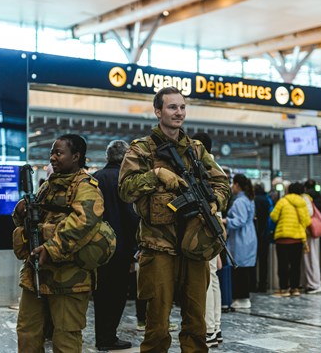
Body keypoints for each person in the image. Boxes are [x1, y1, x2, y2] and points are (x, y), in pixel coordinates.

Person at [118, 86, 231, 353]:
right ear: (158, 112)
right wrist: (155, 174)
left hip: (194, 246)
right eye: (172, 107)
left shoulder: (196, 150)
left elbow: (221, 183)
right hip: (158, 247)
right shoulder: (142, 150)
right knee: (157, 325)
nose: (178, 112)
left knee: (196, 324)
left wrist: (215, 201)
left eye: (182, 107)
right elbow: (125, 189)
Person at [12, 134, 104, 353]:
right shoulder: (48, 187)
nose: (52, 157)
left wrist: (51, 248)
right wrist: (20, 211)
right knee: (28, 332)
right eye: (52, 153)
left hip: (70, 277)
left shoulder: (86, 187)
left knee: (66, 338)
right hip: (37, 271)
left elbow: (84, 223)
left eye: (58, 153)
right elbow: (32, 220)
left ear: (76, 156)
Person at [92, 140, 139, 351]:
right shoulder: (124, 180)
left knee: (101, 294)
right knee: (118, 294)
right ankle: (109, 337)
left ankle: (101, 336)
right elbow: (131, 217)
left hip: (98, 249)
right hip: (120, 248)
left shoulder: (95, 179)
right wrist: (135, 250)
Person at [192, 132, 223, 348]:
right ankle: (215, 327)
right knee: (212, 277)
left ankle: (209, 329)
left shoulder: (204, 167)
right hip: (215, 225)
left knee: (207, 278)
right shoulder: (216, 167)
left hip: (207, 226)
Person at [222, 173, 257, 309]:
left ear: (237, 185)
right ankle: (244, 297)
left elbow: (239, 220)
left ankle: (242, 298)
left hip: (241, 238)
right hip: (249, 236)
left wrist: (225, 220)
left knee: (239, 269)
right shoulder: (249, 199)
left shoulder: (239, 201)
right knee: (244, 268)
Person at [270, 182, 310, 297]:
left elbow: (273, 216)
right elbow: (307, 221)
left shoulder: (283, 201)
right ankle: (295, 288)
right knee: (295, 265)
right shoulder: (302, 202)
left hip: (282, 238)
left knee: (283, 264)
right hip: (297, 238)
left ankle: (284, 289)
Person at [300, 186, 321, 294]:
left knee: (311, 258)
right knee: (307, 259)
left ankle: (315, 284)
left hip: (309, 233)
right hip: (306, 233)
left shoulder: (304, 199)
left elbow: (309, 214)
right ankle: (308, 283)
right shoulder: (305, 198)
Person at [253, 183, 271, 293]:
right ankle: (263, 284)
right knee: (264, 261)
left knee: (253, 261)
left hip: (255, 234)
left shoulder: (253, 200)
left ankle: (253, 284)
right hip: (266, 234)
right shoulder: (267, 200)